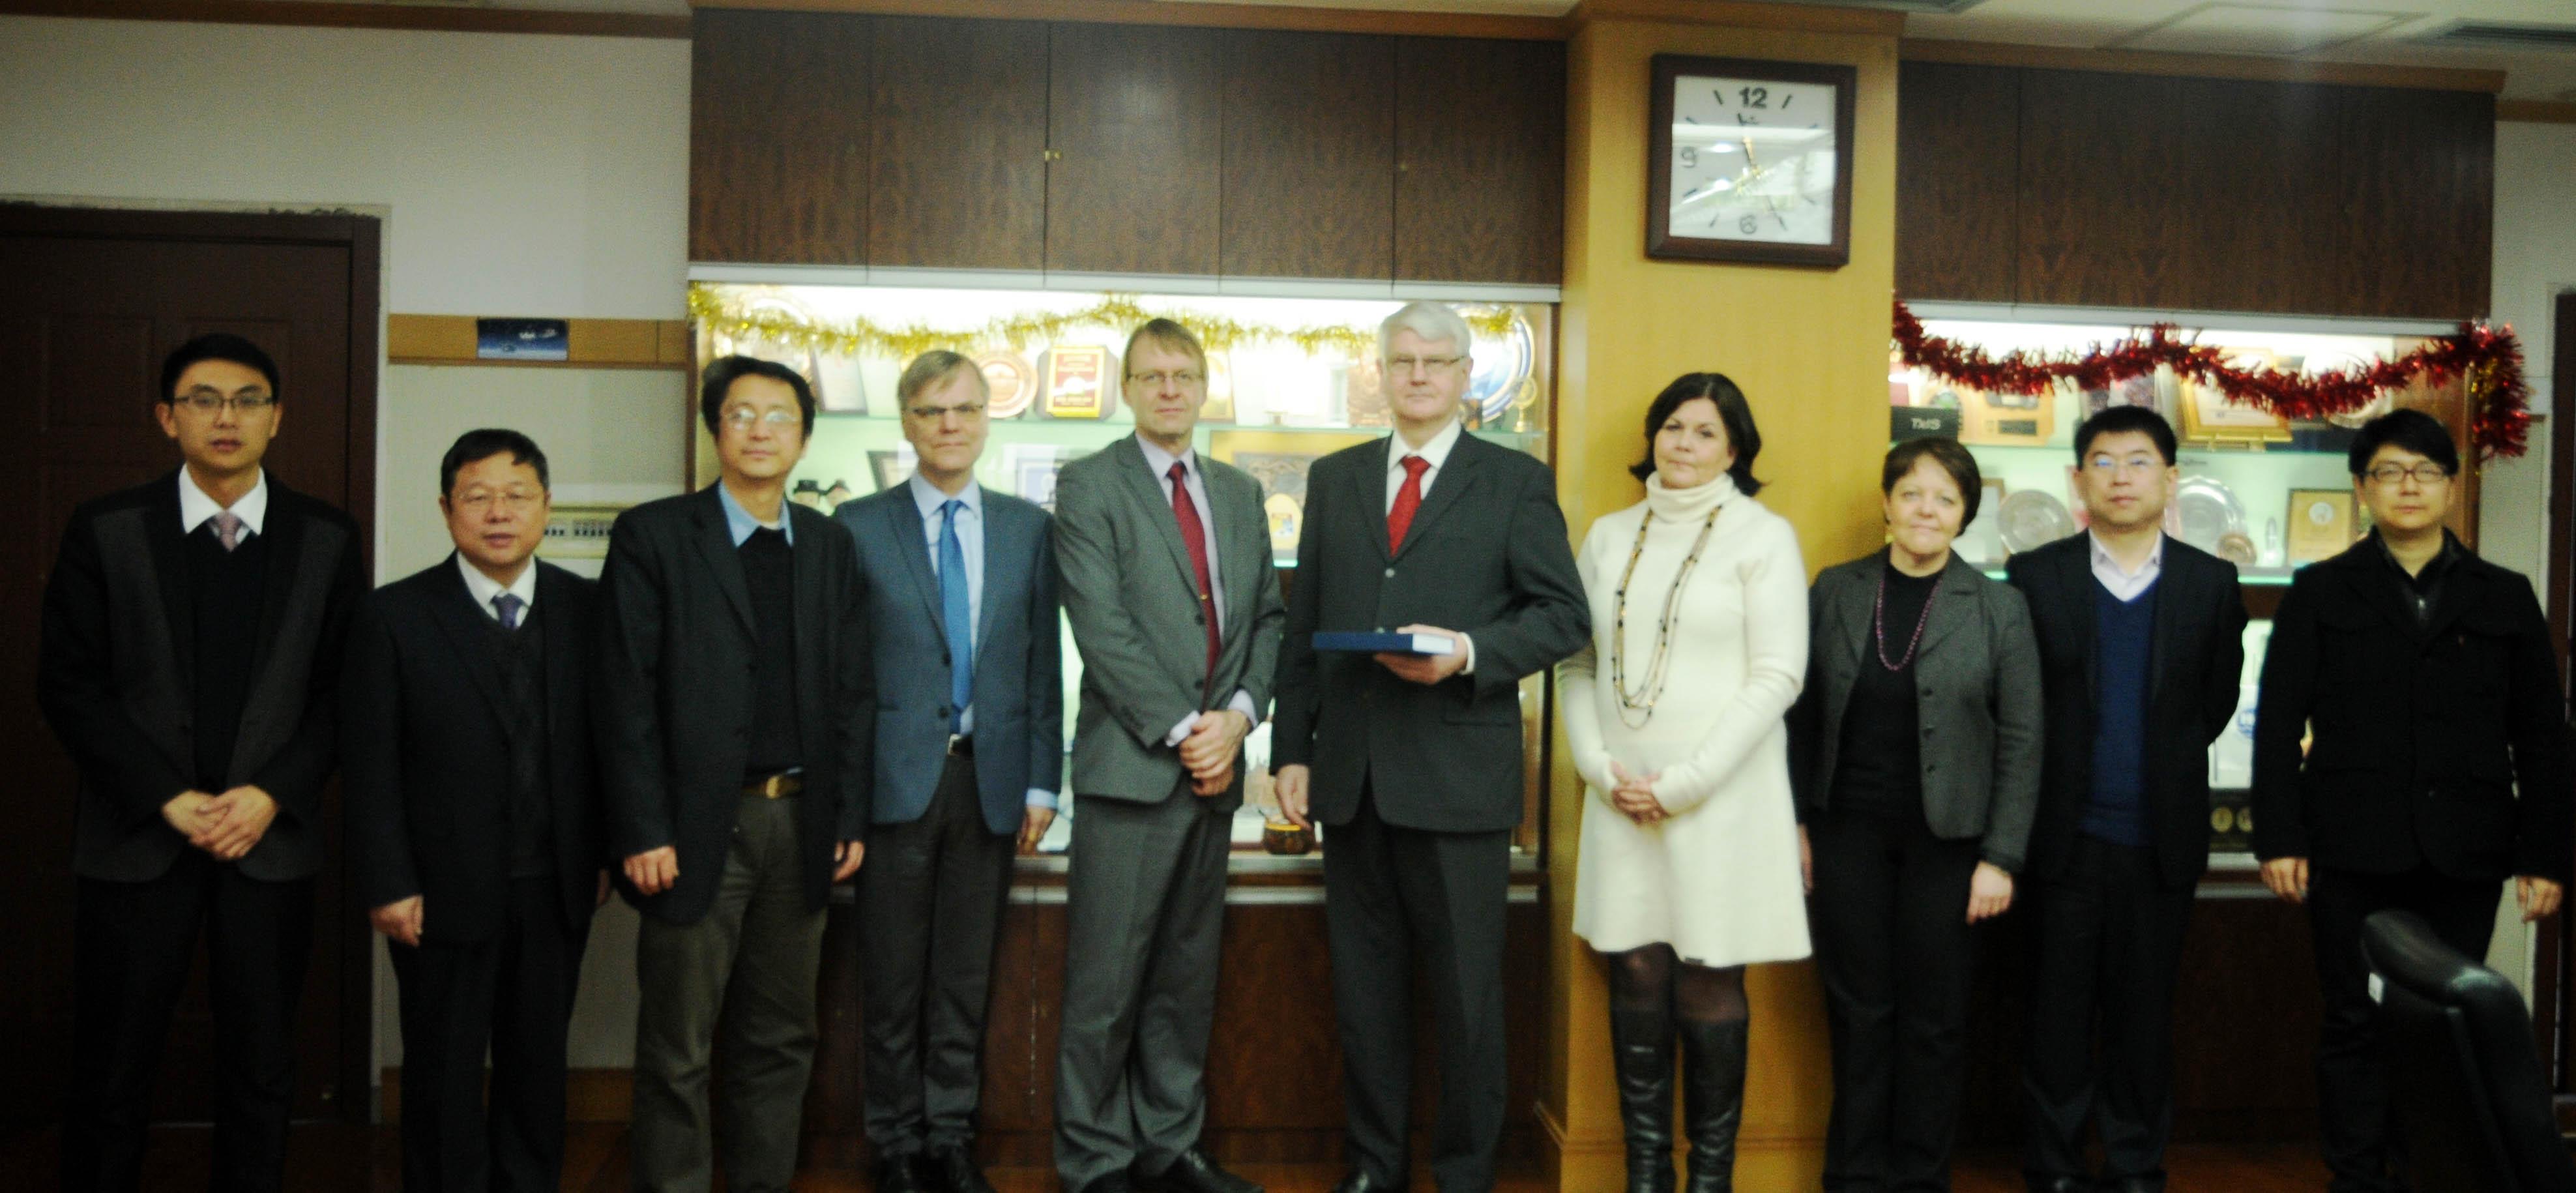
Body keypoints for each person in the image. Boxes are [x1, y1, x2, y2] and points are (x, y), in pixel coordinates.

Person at [1272, 301, 1589, 1193]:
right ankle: (1374, 1168)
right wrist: (1291, 749)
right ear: (1380, 373)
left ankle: (1462, 1175)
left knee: (1465, 999)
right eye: (1402, 360)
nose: (1417, 375)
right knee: (1365, 996)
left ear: (1463, 374)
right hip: (1351, 779)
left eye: (1435, 361)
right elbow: (1303, 624)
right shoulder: (1334, 478)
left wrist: (1470, 653)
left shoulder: (1514, 481)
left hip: (1458, 781)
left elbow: (1563, 616)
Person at [38, 332, 366, 1193]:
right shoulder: (106, 529)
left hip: (268, 842)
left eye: (249, 399)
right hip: (137, 840)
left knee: (262, 1062)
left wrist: (272, 793)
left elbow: (344, 692)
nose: (228, 417)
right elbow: (68, 684)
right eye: (204, 399)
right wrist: (165, 796)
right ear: (166, 417)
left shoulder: (326, 537)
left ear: (276, 417)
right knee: (112, 1062)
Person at [2251, 408, 2570, 1193]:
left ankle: (2427, 1172)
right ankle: (2356, 1177)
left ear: (2452, 488)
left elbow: (2542, 736)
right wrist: (2280, 837)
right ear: (2361, 488)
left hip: (2466, 850)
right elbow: (2277, 723)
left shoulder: (2504, 596)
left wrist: (2544, 854)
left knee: (2444, 1025)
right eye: (2389, 472)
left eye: (2426, 472)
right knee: (2353, 1019)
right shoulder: (2319, 591)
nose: (2408, 486)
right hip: (2349, 846)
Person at [594, 355, 873, 1193]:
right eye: (741, 414)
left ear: (804, 438)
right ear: (715, 430)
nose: (760, 431)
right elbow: (622, 694)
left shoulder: (828, 544)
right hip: (690, 830)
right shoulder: (654, 535)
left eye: (779, 416)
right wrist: (642, 827)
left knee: (782, 1038)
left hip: (801, 822)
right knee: (679, 1044)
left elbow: (853, 692)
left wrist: (847, 817)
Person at [1561, 374, 1811, 1193]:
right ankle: (1646, 1173)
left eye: (1706, 432)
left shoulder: (1762, 537)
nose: (1685, 444)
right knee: (1634, 966)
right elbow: (1575, 661)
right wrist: (1598, 768)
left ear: (1734, 449)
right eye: (1673, 426)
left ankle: (1710, 1179)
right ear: (1652, 436)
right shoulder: (1608, 536)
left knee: (1708, 973)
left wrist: (1684, 784)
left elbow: (1778, 674)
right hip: (1619, 796)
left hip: (1721, 797)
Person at [342, 429, 607, 1193]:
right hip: (437, 888)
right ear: (446, 508)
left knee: (538, 1067)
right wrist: (389, 881)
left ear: (546, 506)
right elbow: (369, 762)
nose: (499, 513)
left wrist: (599, 855)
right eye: (478, 496)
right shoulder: (394, 615)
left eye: (517, 495)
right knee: (443, 1070)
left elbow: (610, 746)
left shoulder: (589, 609)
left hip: (555, 884)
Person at [1052, 319, 1283, 1193]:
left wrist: (1238, 718)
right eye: (1152, 376)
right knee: (1105, 986)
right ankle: (1095, 1161)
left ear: (1204, 385)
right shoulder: (1089, 484)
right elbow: (1101, 628)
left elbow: (1268, 617)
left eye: (1184, 375)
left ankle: (1170, 1145)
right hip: (1133, 771)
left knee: (1185, 982)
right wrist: (1191, 731)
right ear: (1127, 388)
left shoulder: (1238, 491)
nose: (1170, 390)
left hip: (1217, 772)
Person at [1788, 438, 2043, 1193]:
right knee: (1858, 1014)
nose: (1925, 510)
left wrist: (2001, 856)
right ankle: (1853, 1177)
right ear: (1886, 503)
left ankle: (1920, 1179)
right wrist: (1795, 822)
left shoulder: (1998, 607)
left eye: (1944, 499)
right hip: (1846, 835)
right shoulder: (1836, 589)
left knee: (1935, 1023)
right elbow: (1799, 715)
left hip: (1951, 847)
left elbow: (2024, 738)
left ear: (1964, 515)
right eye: (1911, 494)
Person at [835, 352, 1062, 1193]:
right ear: (906, 422)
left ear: (987, 419)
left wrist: (1042, 781)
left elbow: (1042, 665)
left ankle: (950, 1138)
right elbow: (840, 677)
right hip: (893, 787)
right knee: (892, 982)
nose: (950, 425)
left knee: (965, 979)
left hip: (990, 783)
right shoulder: (856, 526)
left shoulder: (1027, 528)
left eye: (965, 408)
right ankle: (895, 1144)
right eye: (932, 411)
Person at [2007, 405, 2246, 1193]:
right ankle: (2053, 1163)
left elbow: (2214, 703)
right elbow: (2018, 703)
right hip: (2060, 837)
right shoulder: (2036, 576)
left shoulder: (2210, 583)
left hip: (2159, 838)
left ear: (2169, 479)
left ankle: (2135, 1162)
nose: (2120, 478)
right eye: (2102, 462)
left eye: (2138, 461)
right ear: (2076, 479)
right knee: (2055, 1014)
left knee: (2144, 1016)